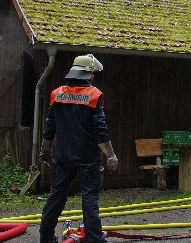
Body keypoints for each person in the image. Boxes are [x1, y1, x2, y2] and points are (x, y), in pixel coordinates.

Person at [39, 54, 118, 243]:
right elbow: (100, 131)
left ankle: (46, 237)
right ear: (90, 75)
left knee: (57, 195)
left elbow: (50, 128)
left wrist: (45, 152)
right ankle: (94, 239)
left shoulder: (57, 94)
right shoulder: (93, 95)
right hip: (88, 156)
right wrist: (111, 155)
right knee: (89, 197)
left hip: (63, 155)